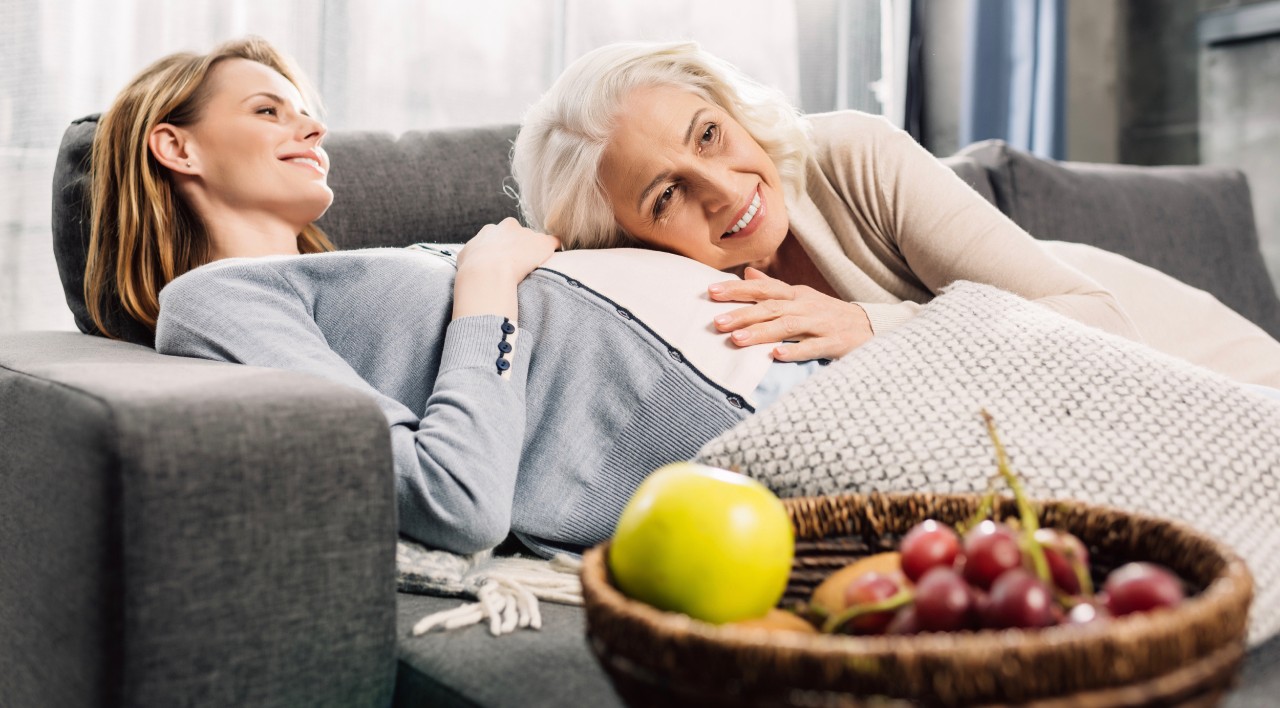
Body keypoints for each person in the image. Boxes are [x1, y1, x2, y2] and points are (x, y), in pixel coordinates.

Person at [83, 37, 776, 558]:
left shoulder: (352, 277)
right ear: (176, 147)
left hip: (775, 364)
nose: (316, 129)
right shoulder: (214, 302)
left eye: (307, 112)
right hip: (749, 421)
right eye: (269, 110)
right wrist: (487, 286)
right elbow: (457, 501)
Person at [511, 41, 1280, 389]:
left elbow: (1098, 322)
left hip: (1192, 355)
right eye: (667, 195)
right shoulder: (664, 304)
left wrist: (873, 329)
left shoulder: (849, 155)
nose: (723, 186)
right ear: (626, 241)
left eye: (708, 133)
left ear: (729, 109)